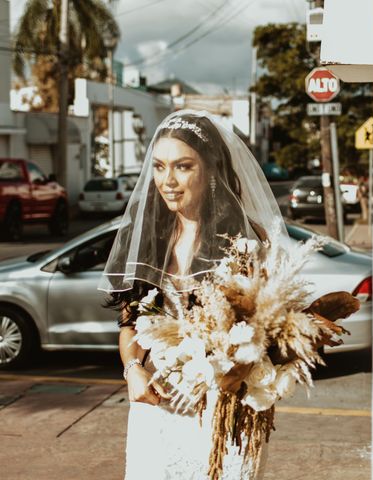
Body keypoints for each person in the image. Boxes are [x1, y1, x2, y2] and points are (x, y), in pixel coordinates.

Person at [99, 110, 288, 479]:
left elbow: (266, 334)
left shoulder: (247, 243)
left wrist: (221, 373)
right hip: (158, 404)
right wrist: (133, 369)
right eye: (158, 166)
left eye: (182, 166)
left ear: (211, 169)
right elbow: (131, 321)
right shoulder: (150, 235)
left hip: (225, 408)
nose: (167, 181)